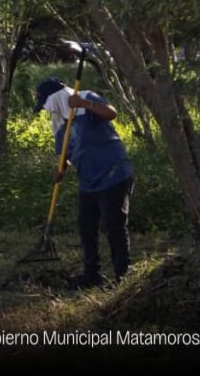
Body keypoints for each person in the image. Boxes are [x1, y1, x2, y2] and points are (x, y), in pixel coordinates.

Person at [34, 77, 134, 288]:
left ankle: (123, 277)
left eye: (47, 104)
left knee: (113, 225)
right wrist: (60, 169)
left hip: (113, 172)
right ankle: (91, 275)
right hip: (88, 179)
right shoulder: (59, 123)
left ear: (56, 98)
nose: (47, 110)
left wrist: (84, 105)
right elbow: (66, 153)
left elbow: (111, 113)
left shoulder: (86, 98)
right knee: (86, 226)